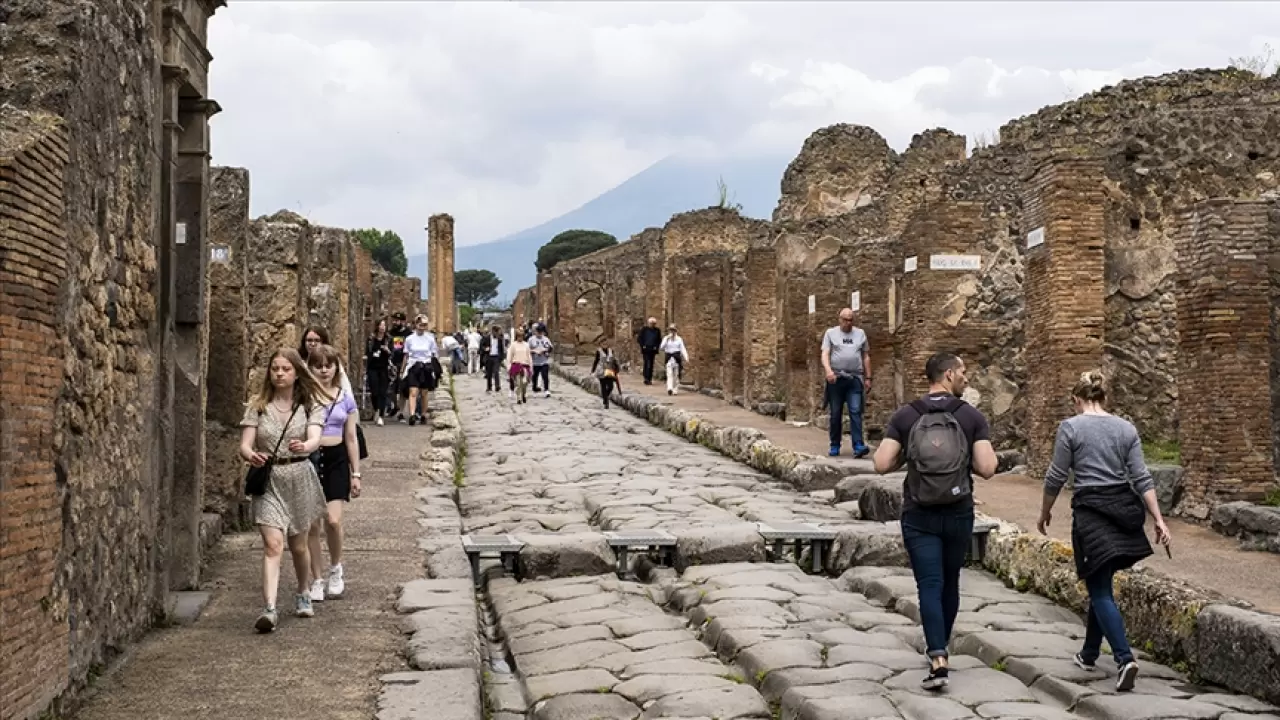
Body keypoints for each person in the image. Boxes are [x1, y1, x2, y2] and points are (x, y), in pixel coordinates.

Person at [1039, 370, 1171, 693]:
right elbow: (1141, 477)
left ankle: (1125, 659)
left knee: (1099, 590)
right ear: (1104, 397)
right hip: (1123, 512)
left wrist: (1044, 512)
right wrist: (1158, 518)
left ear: (1077, 399)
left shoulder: (1071, 427)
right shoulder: (1126, 428)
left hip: (1091, 514)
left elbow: (1056, 476)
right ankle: (1088, 654)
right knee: (1101, 585)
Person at [872, 352, 998, 690]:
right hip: (958, 511)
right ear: (947, 375)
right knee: (951, 581)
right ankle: (942, 645)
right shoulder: (970, 416)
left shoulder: (907, 415)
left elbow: (881, 463)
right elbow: (987, 468)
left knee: (929, 584)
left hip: (919, 512)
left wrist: (910, 457)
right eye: (962, 371)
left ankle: (937, 654)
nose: (966, 377)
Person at [239, 348, 331, 632]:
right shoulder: (258, 405)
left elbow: (315, 436)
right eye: (275, 368)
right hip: (270, 479)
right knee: (272, 545)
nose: (279, 373)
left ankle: (303, 591)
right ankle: (269, 608)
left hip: (299, 476)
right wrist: (250, 454)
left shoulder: (309, 405)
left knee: (299, 545)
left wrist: (306, 445)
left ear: (296, 372)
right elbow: (244, 443)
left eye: (285, 369)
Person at [305, 344, 362, 604]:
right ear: (311, 368)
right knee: (312, 524)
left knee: (333, 520)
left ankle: (336, 567)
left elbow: (351, 437)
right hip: (310, 458)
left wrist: (356, 473)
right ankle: (316, 578)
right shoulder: (304, 398)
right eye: (319, 365)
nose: (325, 370)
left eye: (329, 365)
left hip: (337, 457)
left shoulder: (345, 398)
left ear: (336, 368)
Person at [821, 308, 871, 458]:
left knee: (855, 411)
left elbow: (866, 356)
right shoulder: (831, 333)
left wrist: (868, 377)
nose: (848, 323)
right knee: (835, 413)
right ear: (839, 319)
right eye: (845, 319)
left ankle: (858, 445)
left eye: (850, 320)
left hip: (854, 379)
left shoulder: (860, 334)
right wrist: (828, 371)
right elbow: (825, 353)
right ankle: (835, 444)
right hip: (836, 379)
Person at [399, 315, 438, 426]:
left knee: (424, 392)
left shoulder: (430, 339)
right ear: (416, 325)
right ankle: (412, 414)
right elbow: (406, 355)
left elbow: (434, 354)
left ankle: (423, 414)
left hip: (426, 366)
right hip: (413, 366)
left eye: (424, 325)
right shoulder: (410, 339)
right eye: (420, 325)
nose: (422, 327)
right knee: (413, 391)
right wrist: (402, 370)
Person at [299, 326, 352, 395]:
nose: (313, 344)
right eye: (309, 340)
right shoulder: (299, 361)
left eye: (317, 340)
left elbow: (344, 383)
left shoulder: (332, 359)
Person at [366, 319, 393, 426]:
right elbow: (367, 352)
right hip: (373, 367)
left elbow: (394, 352)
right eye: (380, 325)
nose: (382, 327)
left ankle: (381, 414)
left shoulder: (389, 339)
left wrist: (387, 350)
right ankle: (376, 408)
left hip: (384, 367)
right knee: (374, 391)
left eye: (384, 325)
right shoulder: (371, 338)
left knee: (383, 392)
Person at [591, 339, 623, 409]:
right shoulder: (598, 351)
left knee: (610, 386)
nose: (604, 345)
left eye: (606, 344)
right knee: (603, 385)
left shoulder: (611, 351)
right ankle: (606, 400)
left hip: (609, 370)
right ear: (600, 344)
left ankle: (606, 396)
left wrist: (617, 368)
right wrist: (593, 370)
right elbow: (596, 361)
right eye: (603, 344)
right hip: (601, 370)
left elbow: (614, 360)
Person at [506, 328, 534, 403]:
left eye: (521, 336)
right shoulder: (513, 345)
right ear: (516, 337)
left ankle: (524, 394)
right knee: (518, 383)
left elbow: (529, 356)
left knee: (524, 382)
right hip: (516, 366)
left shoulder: (526, 345)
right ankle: (518, 397)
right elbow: (509, 357)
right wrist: (508, 367)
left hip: (525, 366)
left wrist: (531, 367)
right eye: (518, 336)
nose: (520, 338)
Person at [659, 325, 688, 396]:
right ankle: (669, 388)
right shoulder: (666, 338)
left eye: (673, 330)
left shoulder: (679, 339)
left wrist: (686, 357)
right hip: (669, 358)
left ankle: (675, 389)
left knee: (676, 375)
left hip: (676, 358)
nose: (672, 332)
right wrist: (667, 339)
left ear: (676, 331)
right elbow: (661, 347)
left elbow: (682, 348)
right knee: (669, 374)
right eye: (671, 330)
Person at [480, 325, 507, 393]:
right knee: (489, 373)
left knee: (496, 371)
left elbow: (502, 349)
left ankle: (497, 386)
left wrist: (501, 358)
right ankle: (489, 387)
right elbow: (481, 346)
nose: (498, 334)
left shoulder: (500, 339)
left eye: (498, 332)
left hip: (496, 357)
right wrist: (485, 349)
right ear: (493, 331)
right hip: (489, 356)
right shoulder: (486, 338)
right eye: (497, 332)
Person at [529, 325, 553, 397]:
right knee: (534, 376)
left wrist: (545, 350)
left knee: (545, 375)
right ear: (535, 332)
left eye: (541, 332)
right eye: (538, 332)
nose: (539, 334)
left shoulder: (546, 339)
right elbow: (527, 349)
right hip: (535, 362)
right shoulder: (531, 339)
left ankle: (546, 390)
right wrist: (534, 351)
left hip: (544, 361)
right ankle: (534, 387)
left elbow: (550, 348)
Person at [637, 317, 662, 386]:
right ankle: (646, 378)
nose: (652, 325)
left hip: (652, 350)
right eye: (651, 323)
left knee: (651, 364)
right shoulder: (644, 329)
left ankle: (649, 378)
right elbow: (639, 338)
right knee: (646, 362)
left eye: (653, 324)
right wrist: (643, 345)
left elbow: (659, 340)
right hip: (646, 349)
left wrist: (656, 347)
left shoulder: (657, 330)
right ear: (648, 323)